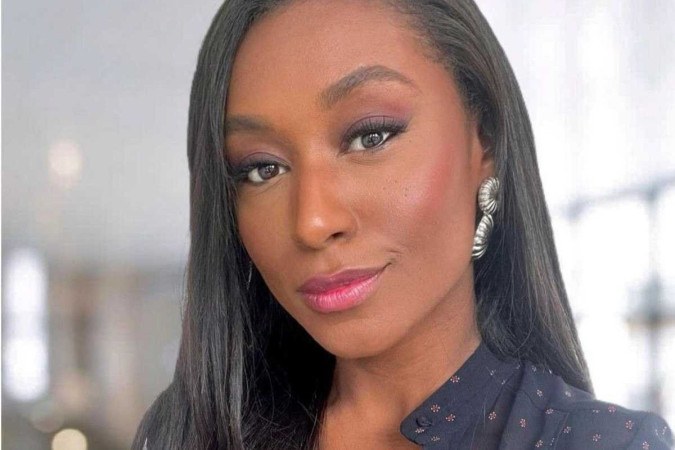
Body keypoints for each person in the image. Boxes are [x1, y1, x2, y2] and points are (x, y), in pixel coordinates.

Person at [133, 0, 673, 448]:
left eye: (371, 136)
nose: (312, 222)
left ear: (483, 139)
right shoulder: (185, 434)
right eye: (262, 168)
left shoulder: (605, 442)